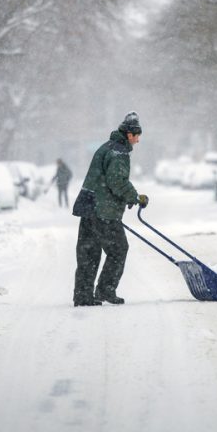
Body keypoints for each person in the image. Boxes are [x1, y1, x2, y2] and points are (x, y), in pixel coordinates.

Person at [71, 111, 149, 307]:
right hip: (103, 211)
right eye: (137, 136)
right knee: (119, 249)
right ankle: (106, 289)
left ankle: (83, 295)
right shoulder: (119, 152)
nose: (138, 141)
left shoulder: (107, 147)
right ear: (130, 134)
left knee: (89, 253)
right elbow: (117, 181)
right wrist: (134, 197)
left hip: (88, 206)